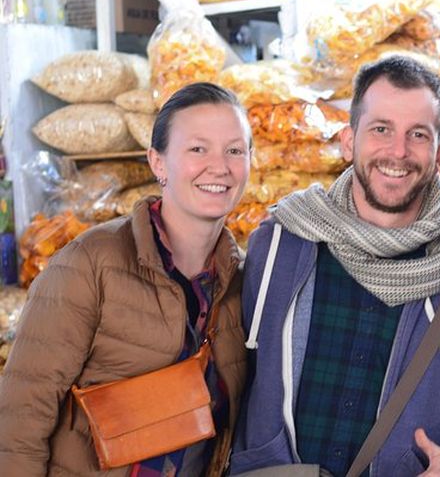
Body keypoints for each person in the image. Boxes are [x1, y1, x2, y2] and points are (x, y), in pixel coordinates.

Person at [231, 56, 440, 477]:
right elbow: (229, 381)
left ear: (439, 154)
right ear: (349, 141)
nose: (398, 152)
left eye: (417, 134)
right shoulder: (279, 246)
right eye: (381, 129)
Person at [0, 82, 252, 476]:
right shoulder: (89, 264)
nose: (219, 166)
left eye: (235, 150)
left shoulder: (242, 281)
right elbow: (20, 416)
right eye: (198, 149)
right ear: (158, 162)